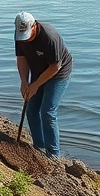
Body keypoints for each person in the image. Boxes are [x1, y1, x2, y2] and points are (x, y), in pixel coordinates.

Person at [13, 11, 73, 158]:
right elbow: (21, 58)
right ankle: (39, 147)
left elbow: (54, 67)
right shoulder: (19, 35)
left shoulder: (49, 37)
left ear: (34, 26)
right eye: (22, 36)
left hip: (58, 73)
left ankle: (53, 154)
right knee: (31, 109)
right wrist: (24, 82)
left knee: (47, 111)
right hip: (38, 70)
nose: (25, 40)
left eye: (27, 35)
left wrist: (36, 85)